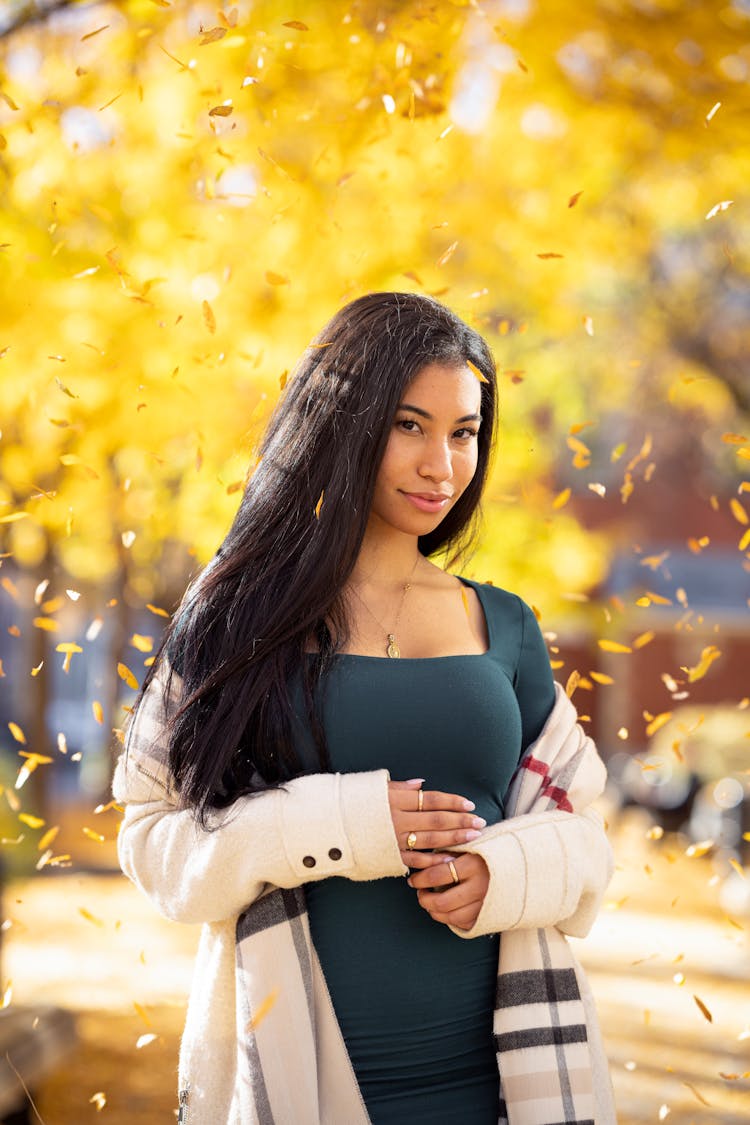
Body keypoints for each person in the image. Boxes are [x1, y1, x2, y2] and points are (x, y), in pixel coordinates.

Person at [113, 291, 616, 1125]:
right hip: (305, 1088)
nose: (441, 465)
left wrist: (504, 872)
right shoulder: (237, 616)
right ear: (345, 421)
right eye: (410, 426)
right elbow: (154, 844)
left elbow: (587, 847)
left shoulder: (505, 625)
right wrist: (339, 822)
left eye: (464, 432)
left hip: (502, 1091)